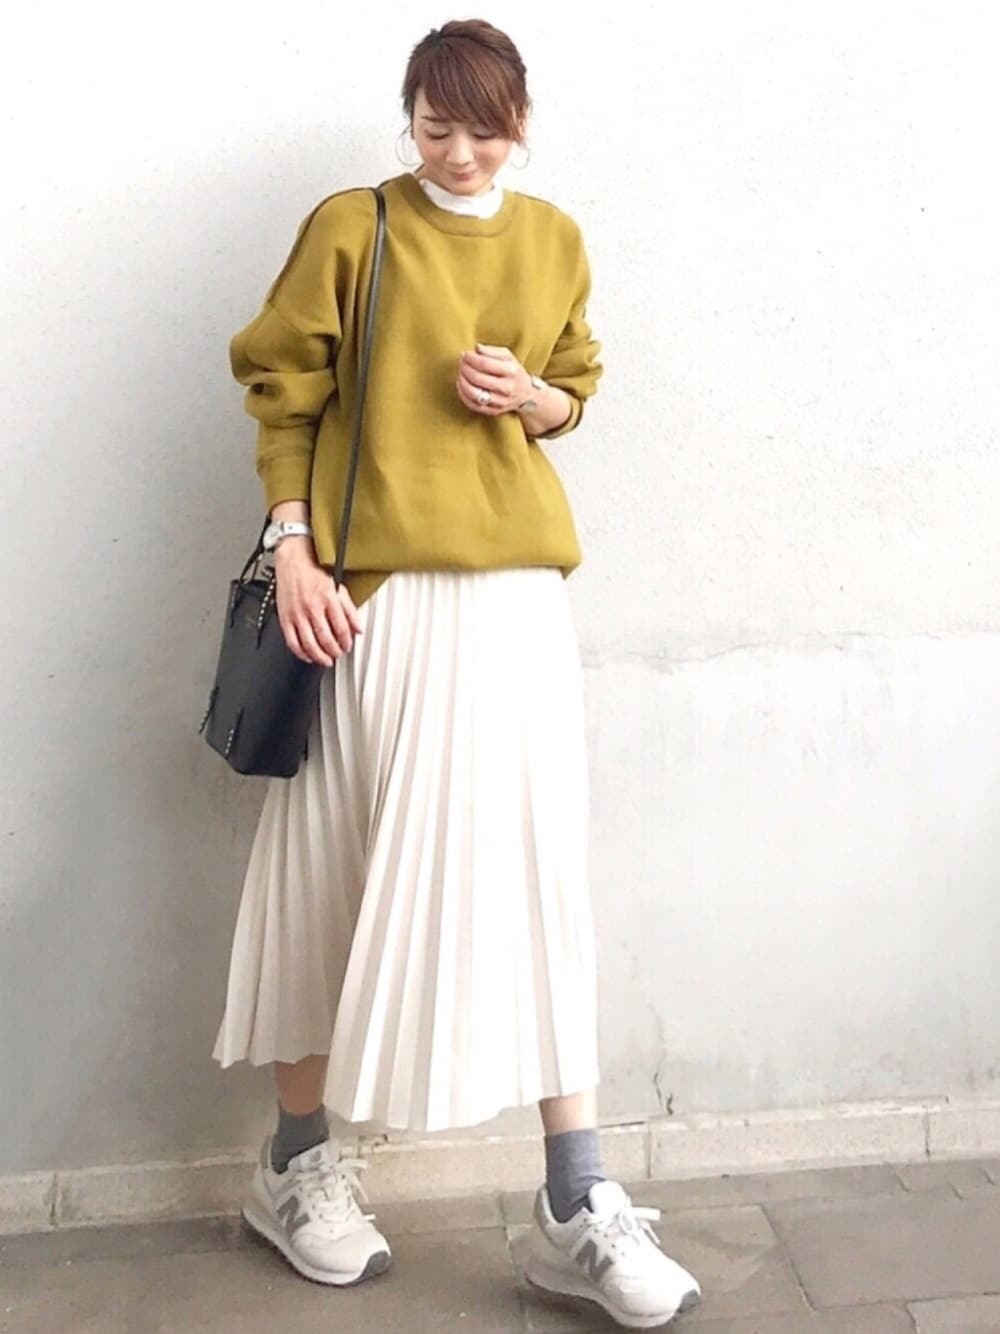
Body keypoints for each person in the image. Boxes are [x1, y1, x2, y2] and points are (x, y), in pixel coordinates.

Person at [212, 18, 701, 1329]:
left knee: (537, 882)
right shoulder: (353, 227)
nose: (461, 153)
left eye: (485, 130)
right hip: (363, 602)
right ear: (410, 119)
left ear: (521, 123)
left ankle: (576, 1199)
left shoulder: (554, 240)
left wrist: (533, 398)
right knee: (328, 873)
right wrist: (293, 546)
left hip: (515, 598)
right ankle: (295, 1165)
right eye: (437, 128)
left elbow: (576, 387)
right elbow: (282, 392)